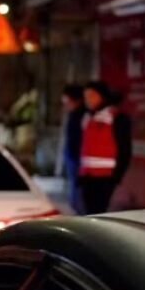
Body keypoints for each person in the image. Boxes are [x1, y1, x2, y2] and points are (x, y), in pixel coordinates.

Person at [78, 81, 132, 214]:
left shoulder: (117, 118)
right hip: (87, 176)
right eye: (86, 96)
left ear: (102, 96)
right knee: (88, 213)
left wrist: (117, 176)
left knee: (99, 212)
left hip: (105, 177)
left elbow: (125, 150)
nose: (88, 100)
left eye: (92, 95)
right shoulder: (86, 117)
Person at [58, 84, 87, 214]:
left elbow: (79, 139)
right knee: (73, 186)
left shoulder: (82, 115)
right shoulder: (74, 114)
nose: (65, 105)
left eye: (67, 101)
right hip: (72, 155)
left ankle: (78, 212)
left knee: (77, 189)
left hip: (78, 157)